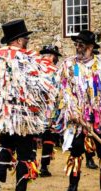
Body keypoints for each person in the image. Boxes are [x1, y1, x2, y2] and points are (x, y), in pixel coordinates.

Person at [0, 19, 57, 191]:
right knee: (25, 155)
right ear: (20, 39)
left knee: (5, 145)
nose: (27, 41)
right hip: (25, 117)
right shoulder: (29, 58)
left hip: (3, 115)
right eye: (25, 38)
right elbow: (46, 82)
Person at [54, 30, 101, 191]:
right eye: (76, 44)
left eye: (82, 45)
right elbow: (64, 90)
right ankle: (72, 189)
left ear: (91, 47)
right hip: (79, 121)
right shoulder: (68, 65)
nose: (78, 48)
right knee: (76, 153)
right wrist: (72, 109)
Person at [38, 45, 62, 177]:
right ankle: (43, 167)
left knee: (32, 138)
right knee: (49, 138)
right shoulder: (56, 71)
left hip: (34, 111)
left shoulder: (34, 68)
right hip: (50, 111)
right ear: (53, 56)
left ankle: (29, 166)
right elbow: (59, 91)